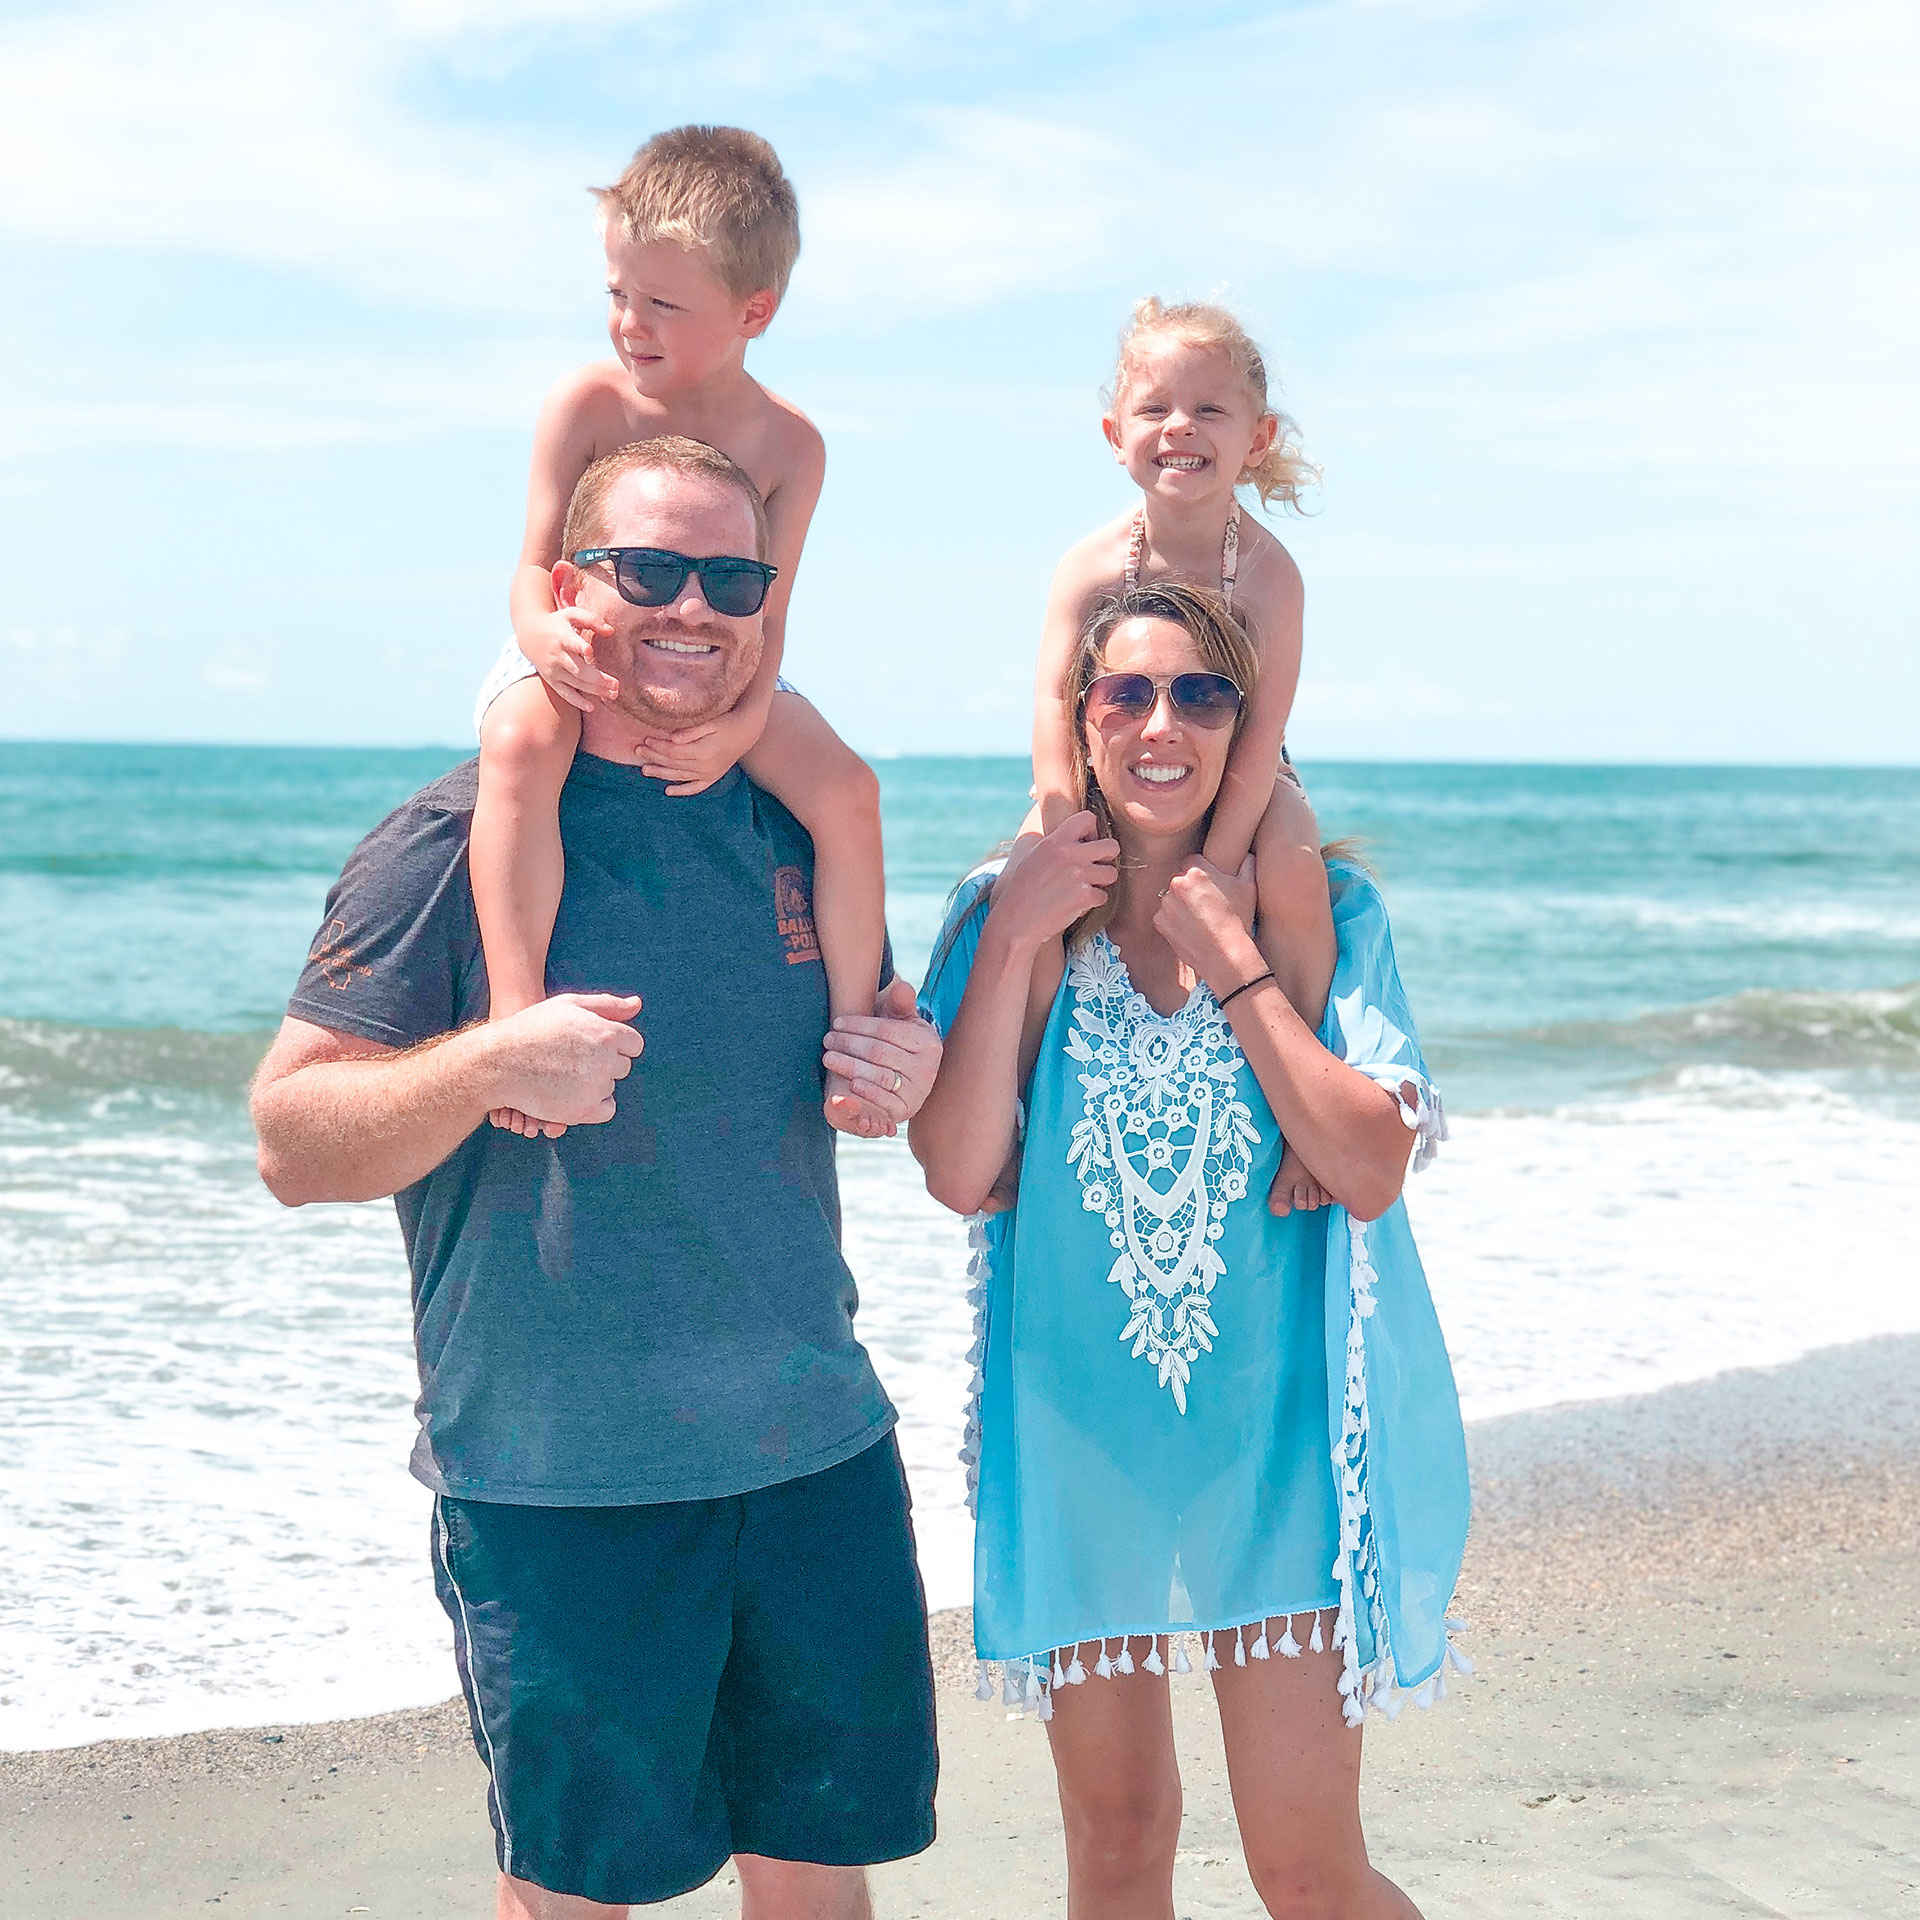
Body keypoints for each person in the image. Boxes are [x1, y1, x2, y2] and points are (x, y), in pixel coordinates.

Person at [251, 437, 943, 1920]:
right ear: (568, 590)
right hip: (560, 1484)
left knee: (822, 1893)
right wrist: (487, 1064)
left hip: (814, 1453)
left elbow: (873, 1055)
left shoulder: (796, 819)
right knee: (574, 1901)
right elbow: (290, 1141)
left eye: (732, 579)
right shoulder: (448, 841)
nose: (693, 608)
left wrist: (906, 1062)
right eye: (650, 571)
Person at [911, 582, 1469, 1920]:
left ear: (1244, 727)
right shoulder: (1004, 909)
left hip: (1279, 1452)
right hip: (1077, 1445)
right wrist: (1018, 932)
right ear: (1082, 719)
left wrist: (1235, 963)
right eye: (1127, 693)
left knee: (1307, 1871)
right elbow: (961, 1169)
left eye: (1201, 695)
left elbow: (1367, 1165)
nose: (1162, 724)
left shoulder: (1326, 912)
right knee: (1116, 1850)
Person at [472, 124, 889, 1139]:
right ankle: (515, 1019)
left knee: (848, 791)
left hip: (727, 660)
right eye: (618, 293)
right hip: (573, 644)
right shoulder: (587, 403)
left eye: (662, 304)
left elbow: (768, 610)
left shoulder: (790, 444)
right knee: (521, 742)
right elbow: (530, 566)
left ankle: (856, 1034)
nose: (630, 323)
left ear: (755, 311)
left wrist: (741, 727)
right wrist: (543, 637)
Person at [1024, 298, 1337, 1216]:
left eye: (1209, 410)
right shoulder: (1089, 566)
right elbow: (1051, 705)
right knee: (1033, 884)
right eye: (1155, 408)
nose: (1180, 428)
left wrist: (1219, 868)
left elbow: (1264, 731)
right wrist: (1063, 821)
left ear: (1257, 437)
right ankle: (1014, 1102)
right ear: (1115, 434)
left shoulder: (1269, 575)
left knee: (1293, 862)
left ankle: (1304, 1111)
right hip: (1108, 756)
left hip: (1241, 767)